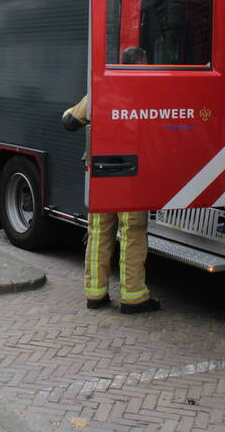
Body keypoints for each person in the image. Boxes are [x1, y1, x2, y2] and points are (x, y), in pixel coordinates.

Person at [61, 83, 161, 315]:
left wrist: (70, 111)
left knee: (98, 232)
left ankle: (95, 294)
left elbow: (69, 122)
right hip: (132, 172)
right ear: (143, 64)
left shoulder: (102, 89)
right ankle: (133, 297)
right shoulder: (149, 91)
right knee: (132, 233)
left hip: (102, 172)